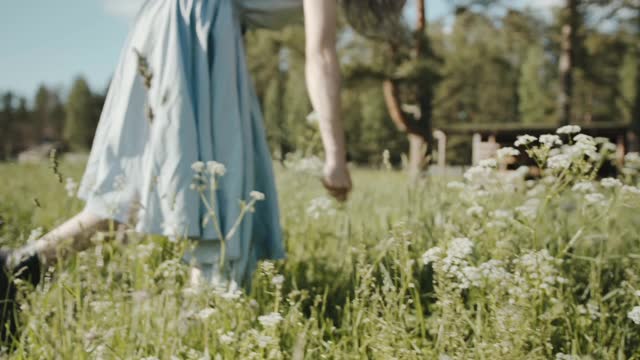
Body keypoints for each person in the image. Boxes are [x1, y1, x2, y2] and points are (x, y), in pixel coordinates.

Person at [0, 0, 404, 341]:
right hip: (194, 29)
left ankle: (21, 266)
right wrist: (335, 155)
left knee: (145, 188)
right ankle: (203, 327)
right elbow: (321, 55)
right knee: (214, 190)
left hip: (187, 25)